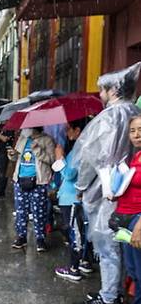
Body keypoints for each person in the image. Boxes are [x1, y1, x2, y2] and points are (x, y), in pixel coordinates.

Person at [71, 62, 141, 304]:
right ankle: (115, 292)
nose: (100, 94)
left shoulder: (110, 117)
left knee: (106, 242)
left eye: (103, 89)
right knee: (120, 244)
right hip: (128, 193)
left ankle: (109, 297)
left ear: (113, 89)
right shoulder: (133, 113)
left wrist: (80, 186)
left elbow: (90, 157)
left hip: (106, 191)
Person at [109, 115, 141, 304]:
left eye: (140, 129)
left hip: (138, 220)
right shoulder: (136, 156)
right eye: (132, 130)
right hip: (126, 218)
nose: (136, 135)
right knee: (134, 271)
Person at [53, 117, 94, 281]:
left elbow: (69, 174)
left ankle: (73, 268)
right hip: (74, 198)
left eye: (69, 128)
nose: (65, 131)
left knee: (74, 234)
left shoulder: (79, 149)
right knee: (81, 233)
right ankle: (85, 262)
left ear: (78, 131)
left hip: (71, 199)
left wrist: (59, 158)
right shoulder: (82, 147)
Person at [9, 127, 56, 252]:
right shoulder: (23, 139)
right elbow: (17, 158)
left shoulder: (47, 140)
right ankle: (21, 237)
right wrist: (12, 155)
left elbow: (52, 160)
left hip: (39, 182)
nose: (25, 129)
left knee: (39, 211)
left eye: (28, 127)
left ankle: (40, 239)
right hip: (20, 180)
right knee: (21, 211)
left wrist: (38, 150)